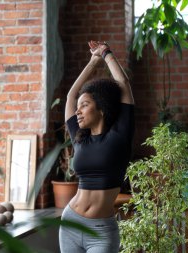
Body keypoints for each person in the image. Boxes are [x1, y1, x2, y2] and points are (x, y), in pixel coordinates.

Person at [59, 40, 134, 253]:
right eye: (79, 107)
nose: (78, 111)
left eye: (85, 105)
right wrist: (92, 62)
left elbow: (123, 84)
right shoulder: (79, 138)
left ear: (101, 109)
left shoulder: (120, 136)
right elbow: (70, 96)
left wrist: (106, 53)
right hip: (70, 222)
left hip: (101, 232)